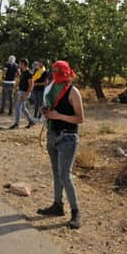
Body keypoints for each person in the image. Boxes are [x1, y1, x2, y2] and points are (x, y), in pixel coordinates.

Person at [37, 60, 84, 230]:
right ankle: (57, 205)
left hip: (68, 137)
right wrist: (46, 111)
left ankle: (76, 211)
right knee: (56, 173)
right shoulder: (51, 86)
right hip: (52, 134)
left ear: (66, 74)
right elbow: (51, 107)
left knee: (65, 174)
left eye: (58, 73)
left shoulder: (73, 92)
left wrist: (58, 116)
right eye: (54, 72)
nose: (56, 76)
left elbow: (80, 119)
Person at [9, 59, 35, 129]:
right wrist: (17, 87)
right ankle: (31, 121)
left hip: (25, 93)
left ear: (23, 64)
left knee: (18, 107)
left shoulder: (29, 73)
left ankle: (17, 124)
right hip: (21, 91)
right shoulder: (22, 72)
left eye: (20, 64)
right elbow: (21, 81)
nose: (19, 65)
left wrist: (26, 94)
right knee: (23, 108)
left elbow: (31, 85)